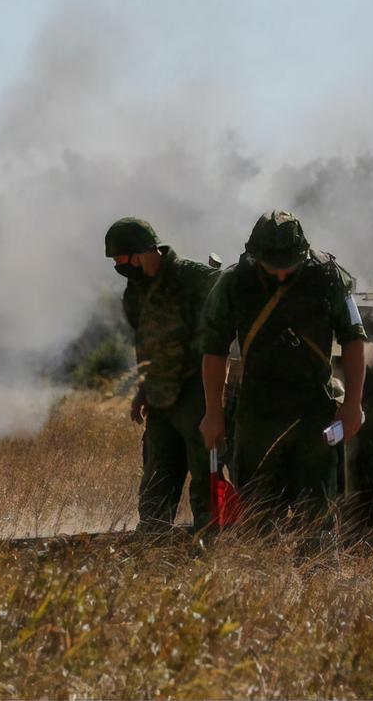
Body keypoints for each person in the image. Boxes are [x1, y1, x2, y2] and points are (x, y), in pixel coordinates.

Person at [198, 210, 367, 517]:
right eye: (271, 266)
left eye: (287, 266)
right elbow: (213, 351)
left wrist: (353, 404)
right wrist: (213, 412)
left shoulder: (329, 277)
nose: (279, 275)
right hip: (256, 413)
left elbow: (354, 340)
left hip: (313, 411)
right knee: (256, 514)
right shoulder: (233, 283)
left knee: (318, 515)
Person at [105, 216, 219, 533]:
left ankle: (212, 544)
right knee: (157, 477)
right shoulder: (135, 292)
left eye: (120, 258)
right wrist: (142, 390)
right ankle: (153, 546)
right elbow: (145, 345)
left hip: (196, 395)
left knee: (205, 477)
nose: (117, 266)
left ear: (140, 252)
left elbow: (228, 314)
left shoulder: (194, 277)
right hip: (160, 398)